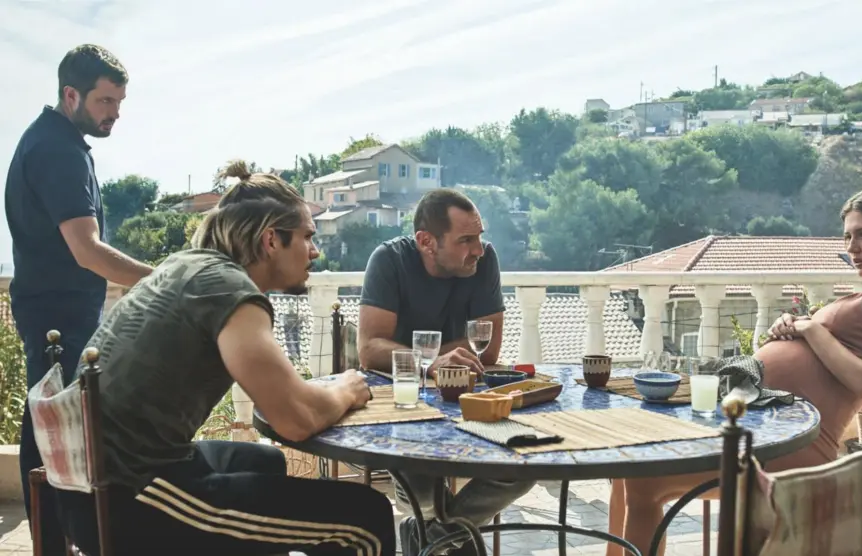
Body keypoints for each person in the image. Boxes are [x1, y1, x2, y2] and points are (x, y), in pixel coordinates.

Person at [39, 161, 394, 555]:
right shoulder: (230, 292)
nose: (315, 251)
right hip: (130, 501)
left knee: (263, 462)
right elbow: (295, 420)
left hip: (87, 488)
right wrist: (347, 389)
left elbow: (280, 396)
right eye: (307, 237)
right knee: (367, 517)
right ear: (271, 240)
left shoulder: (184, 266)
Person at [607, 185, 862, 556]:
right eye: (847, 236)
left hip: (789, 446)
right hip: (757, 429)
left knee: (643, 481)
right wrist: (794, 327)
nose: (852, 248)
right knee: (627, 467)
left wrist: (811, 328)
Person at [4, 44, 153, 555]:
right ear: (71, 95)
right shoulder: (57, 151)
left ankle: (54, 544)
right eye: (105, 101)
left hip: (54, 310)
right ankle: (54, 545)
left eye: (119, 102)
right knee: (52, 436)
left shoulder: (52, 141)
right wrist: (162, 279)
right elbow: (87, 251)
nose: (115, 113)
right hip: (56, 316)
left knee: (48, 430)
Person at [358, 188, 535, 555]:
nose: (479, 249)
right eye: (466, 240)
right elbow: (370, 349)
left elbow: (487, 347)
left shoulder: (484, 261)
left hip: (469, 403)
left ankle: (430, 538)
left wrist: (416, 355)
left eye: (480, 236)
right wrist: (431, 362)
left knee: (527, 461)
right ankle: (446, 538)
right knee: (423, 491)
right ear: (426, 241)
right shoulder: (389, 261)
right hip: (404, 407)